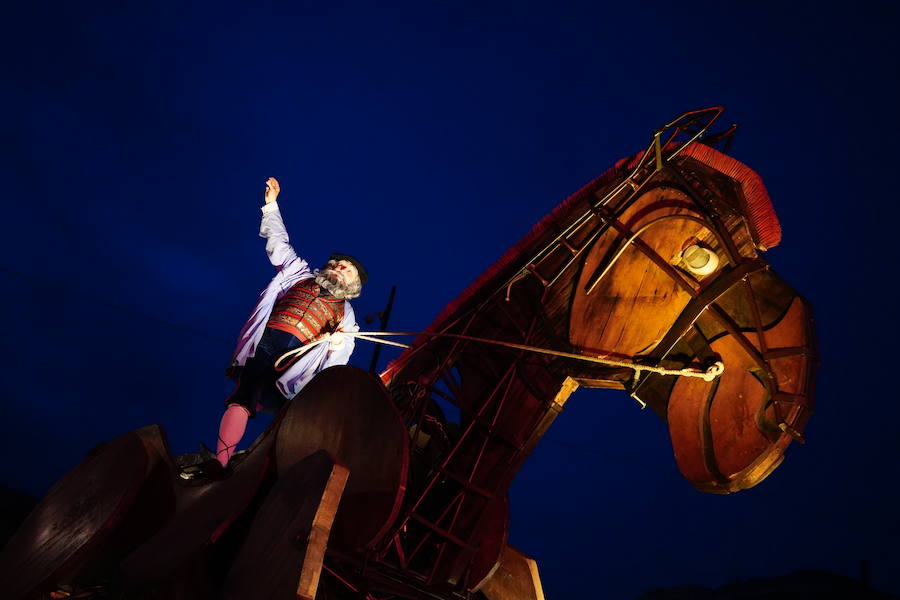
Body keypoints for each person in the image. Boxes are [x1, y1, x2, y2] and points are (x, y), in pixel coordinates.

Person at [215, 177, 366, 467]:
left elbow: (341, 354)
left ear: (353, 285)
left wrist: (337, 342)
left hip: (297, 364)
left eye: (345, 270)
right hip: (267, 341)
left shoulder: (346, 313)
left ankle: (271, 463)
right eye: (335, 265)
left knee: (290, 414)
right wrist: (271, 206)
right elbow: (279, 243)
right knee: (245, 394)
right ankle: (221, 460)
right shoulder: (299, 274)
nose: (337, 269)